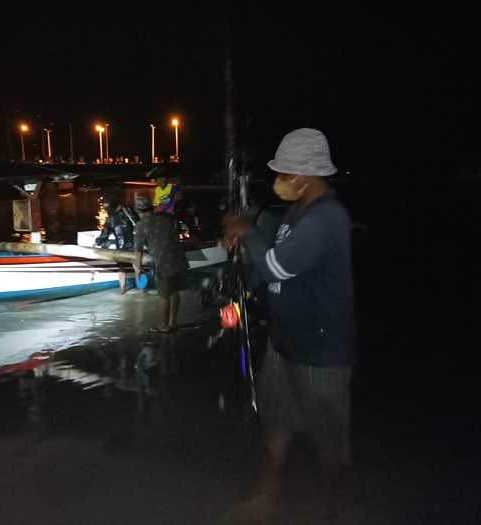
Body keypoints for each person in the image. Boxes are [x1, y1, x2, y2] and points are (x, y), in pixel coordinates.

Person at [222, 128, 356, 522]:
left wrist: (248, 233)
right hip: (283, 342)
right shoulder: (294, 214)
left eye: (284, 173)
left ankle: (328, 506)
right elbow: (271, 273)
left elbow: (278, 264)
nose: (278, 180)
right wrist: (245, 254)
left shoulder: (328, 218)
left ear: (305, 176)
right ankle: (263, 496)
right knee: (276, 424)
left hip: (322, 350)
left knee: (326, 437)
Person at [132, 196, 189, 333]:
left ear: (137, 210)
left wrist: (138, 268)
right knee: (175, 292)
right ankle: (173, 322)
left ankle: (163, 325)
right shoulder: (164, 219)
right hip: (179, 258)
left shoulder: (141, 225)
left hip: (164, 263)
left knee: (164, 294)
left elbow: (138, 250)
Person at [94, 193, 139, 294]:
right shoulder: (127, 210)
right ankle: (141, 287)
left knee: (122, 268)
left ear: (108, 204)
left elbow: (105, 234)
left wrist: (97, 243)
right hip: (133, 243)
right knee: (136, 265)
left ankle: (122, 290)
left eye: (104, 205)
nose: (104, 208)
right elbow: (138, 222)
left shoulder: (111, 219)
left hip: (121, 246)